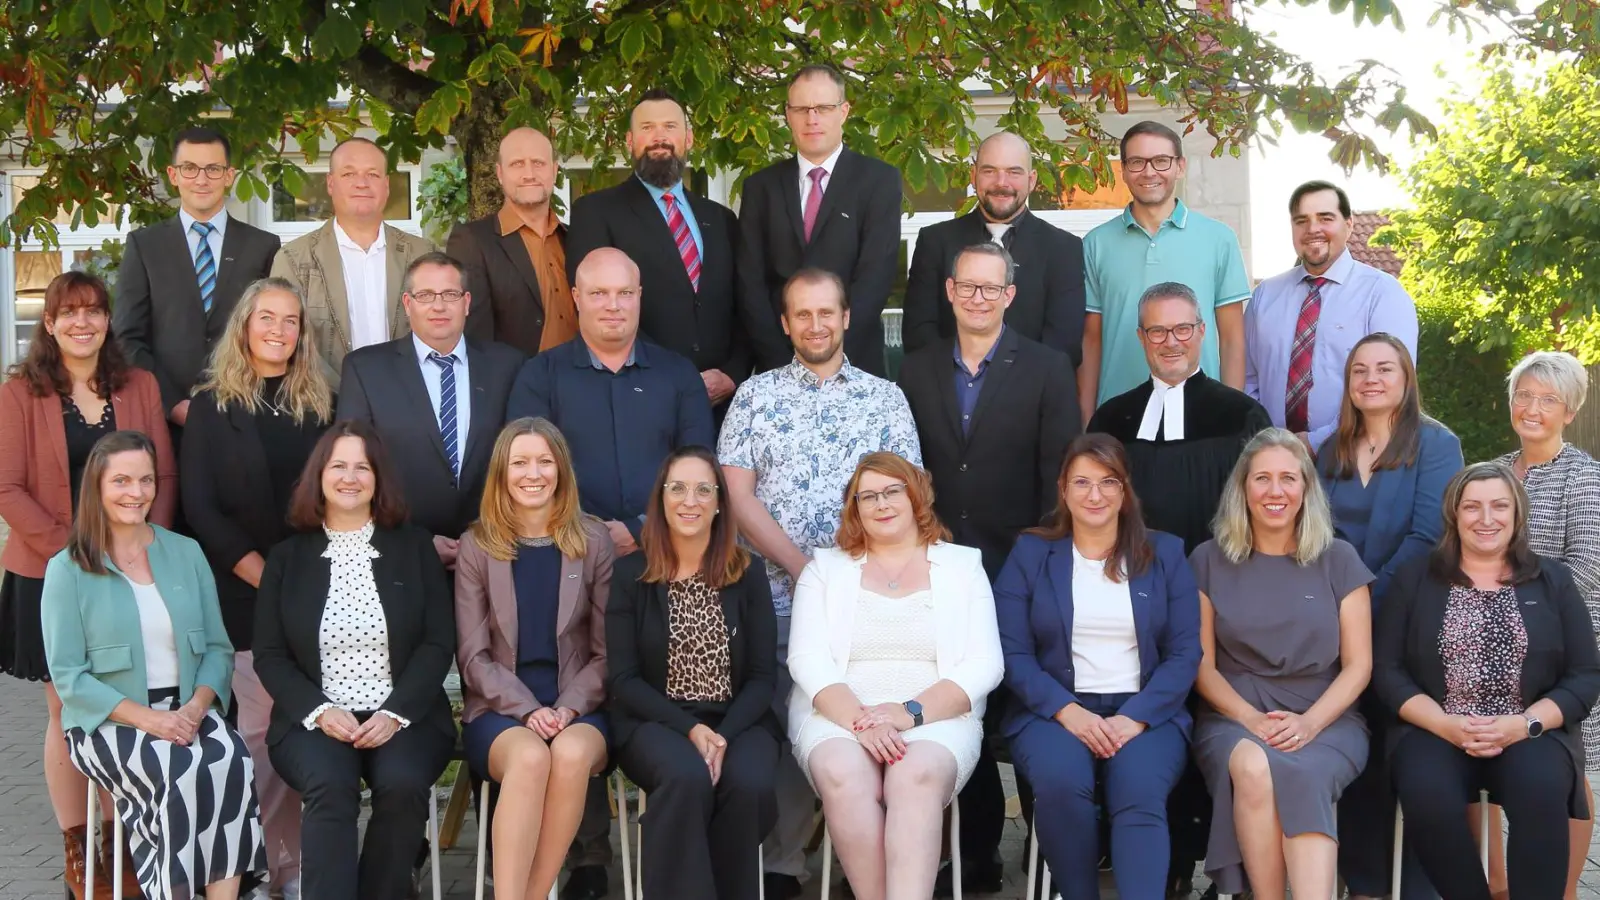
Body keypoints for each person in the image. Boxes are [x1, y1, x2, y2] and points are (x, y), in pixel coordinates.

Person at [719, 267, 922, 900]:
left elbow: (906, 495)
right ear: (785, 323)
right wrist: (807, 571)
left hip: (868, 607)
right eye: (801, 315)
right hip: (774, 599)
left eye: (825, 313)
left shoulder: (884, 399)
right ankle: (783, 866)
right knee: (787, 729)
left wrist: (845, 576)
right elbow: (736, 493)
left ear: (846, 318)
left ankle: (853, 860)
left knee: (858, 728)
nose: (815, 325)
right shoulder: (754, 397)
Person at [895, 241, 1079, 889]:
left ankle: (1043, 851)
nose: (978, 298)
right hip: (938, 571)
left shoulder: (1049, 368)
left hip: (1021, 567)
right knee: (956, 708)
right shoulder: (911, 372)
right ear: (948, 292)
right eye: (966, 287)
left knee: (1027, 707)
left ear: (1010, 295)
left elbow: (1060, 480)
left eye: (990, 288)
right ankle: (973, 853)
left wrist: (1039, 563)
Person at [0, 271, 176, 900]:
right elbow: (8, 489)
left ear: (108, 321)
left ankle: (121, 842)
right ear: (48, 324)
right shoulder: (21, 393)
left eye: (94, 311)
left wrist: (148, 551)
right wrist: (78, 555)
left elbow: (164, 473)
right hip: (51, 574)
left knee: (122, 702)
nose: (82, 323)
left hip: (134, 568)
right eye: (68, 313)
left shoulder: (140, 386)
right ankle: (78, 846)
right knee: (66, 708)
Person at [42, 429, 266, 900]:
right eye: (121, 481)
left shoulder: (184, 552)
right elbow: (68, 677)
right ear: (98, 488)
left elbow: (217, 649)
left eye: (146, 480)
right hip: (110, 719)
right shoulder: (68, 568)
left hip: (188, 708)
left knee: (230, 759)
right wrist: (152, 721)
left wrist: (196, 709)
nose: (136, 493)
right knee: (176, 769)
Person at [1374, 462, 1600, 900]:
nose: (1486, 518)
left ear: (1517, 515)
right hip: (1436, 728)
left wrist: (1526, 724)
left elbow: (1585, 674)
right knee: (1426, 790)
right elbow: (1387, 670)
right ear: (1454, 515)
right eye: (1472, 507)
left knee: (1541, 788)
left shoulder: (1552, 579)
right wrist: (1444, 724)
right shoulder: (1416, 578)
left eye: (1499, 506)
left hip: (1527, 730)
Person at [252, 422, 456, 900]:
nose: (350, 477)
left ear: (378, 478)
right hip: (314, 719)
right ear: (318, 476)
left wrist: (395, 712)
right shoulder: (286, 558)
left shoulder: (413, 548)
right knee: (329, 785)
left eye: (362, 467)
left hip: (406, 715)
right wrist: (321, 711)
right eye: (338, 465)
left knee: (403, 785)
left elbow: (436, 641)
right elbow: (270, 654)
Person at [787, 452, 1004, 900]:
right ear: (855, 508)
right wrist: (862, 722)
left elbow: (986, 664)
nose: (881, 504)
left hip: (935, 715)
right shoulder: (824, 570)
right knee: (843, 772)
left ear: (915, 496)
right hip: (839, 714)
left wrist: (907, 714)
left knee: (915, 774)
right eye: (867, 496)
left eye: (892, 491)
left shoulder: (963, 567)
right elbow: (806, 659)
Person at [994, 434, 1200, 900]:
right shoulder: (1031, 554)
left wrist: (1136, 717)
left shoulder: (1165, 554)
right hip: (1053, 711)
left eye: (1108, 482)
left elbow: (1185, 653)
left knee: (1139, 789)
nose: (1095, 494)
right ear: (1063, 488)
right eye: (1082, 482)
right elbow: (1012, 652)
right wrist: (1069, 712)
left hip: (1146, 711)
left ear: (1125, 491)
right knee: (1061, 784)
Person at [181, 276, 334, 899]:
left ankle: (298, 863)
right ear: (244, 325)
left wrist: (299, 579)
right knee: (262, 730)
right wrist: (262, 575)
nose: (278, 330)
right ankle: (273, 865)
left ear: (302, 334)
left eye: (290, 320)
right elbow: (201, 508)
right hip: (243, 593)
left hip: (316, 589)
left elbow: (338, 496)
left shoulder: (322, 404)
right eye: (266, 317)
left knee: (311, 728)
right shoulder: (212, 407)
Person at [1190, 428, 1373, 899]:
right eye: (1262, 478)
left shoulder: (1339, 559)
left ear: (1307, 489)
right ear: (1242, 488)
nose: (1276, 491)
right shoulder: (1207, 560)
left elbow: (1359, 666)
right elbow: (1201, 666)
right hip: (1235, 712)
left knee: (1306, 771)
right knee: (1251, 766)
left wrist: (1310, 724)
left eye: (1289, 479)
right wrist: (1251, 718)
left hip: (1325, 714)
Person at [1311, 331, 1461, 899]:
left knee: (1409, 759)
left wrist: (1360, 606)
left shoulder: (1437, 445)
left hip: (1407, 625)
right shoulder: (1331, 451)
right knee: (1356, 757)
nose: (1372, 379)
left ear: (1406, 380)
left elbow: (1428, 536)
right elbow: (1316, 535)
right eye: (1360, 371)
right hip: (1337, 629)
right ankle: (1366, 881)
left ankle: (1419, 887)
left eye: (1385, 369)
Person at [607, 446, 781, 899]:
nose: (691, 501)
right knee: (686, 778)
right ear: (661, 500)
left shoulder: (748, 573)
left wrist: (722, 735)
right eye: (678, 488)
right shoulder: (631, 574)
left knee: (750, 783)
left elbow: (763, 677)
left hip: (739, 720)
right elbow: (624, 680)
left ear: (720, 501)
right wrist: (691, 730)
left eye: (704, 489)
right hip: (656, 721)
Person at [454, 418, 614, 900]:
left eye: (545, 461)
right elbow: (474, 657)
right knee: (527, 757)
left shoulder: (593, 541)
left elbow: (608, 653)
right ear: (502, 472)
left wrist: (567, 708)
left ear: (561, 470)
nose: (533, 473)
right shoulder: (477, 545)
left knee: (566, 753)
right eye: (520, 462)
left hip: (580, 707)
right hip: (500, 710)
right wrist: (529, 711)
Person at [507, 248, 714, 557]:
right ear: (576, 297)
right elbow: (526, 473)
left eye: (625, 293)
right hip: (567, 556)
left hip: (667, 554)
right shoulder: (540, 376)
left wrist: (641, 530)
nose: (613, 306)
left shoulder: (679, 374)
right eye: (599, 293)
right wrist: (589, 534)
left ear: (640, 295)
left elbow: (699, 469)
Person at [338, 252, 526, 570]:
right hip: (400, 556)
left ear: (466, 302)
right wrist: (416, 541)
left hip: (493, 554)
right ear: (408, 304)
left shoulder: (508, 365)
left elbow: (520, 459)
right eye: (426, 295)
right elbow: (352, 470)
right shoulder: (365, 369)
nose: (439, 306)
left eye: (450, 295)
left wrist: (484, 536)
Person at [567, 89, 747, 416]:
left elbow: (744, 304)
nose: (659, 137)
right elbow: (597, 308)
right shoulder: (595, 212)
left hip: (723, 404)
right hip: (638, 397)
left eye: (669, 127)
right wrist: (676, 377)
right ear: (630, 140)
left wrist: (732, 373)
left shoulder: (721, 219)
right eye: (647, 127)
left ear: (688, 138)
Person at [1497, 350, 1600, 900]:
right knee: (1486, 757)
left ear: (1569, 411)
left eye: (1548, 399)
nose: (1532, 408)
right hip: (1490, 647)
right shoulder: (1491, 471)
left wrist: (1512, 602)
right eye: (1524, 395)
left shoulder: (1583, 476)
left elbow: (1588, 570)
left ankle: (1561, 892)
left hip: (1565, 649)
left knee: (1569, 775)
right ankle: (1495, 884)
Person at [737, 64, 903, 377]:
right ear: (787, 114)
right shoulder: (761, 187)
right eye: (801, 109)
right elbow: (750, 283)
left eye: (823, 108)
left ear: (843, 111)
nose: (811, 119)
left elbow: (875, 278)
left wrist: (829, 357)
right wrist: (782, 359)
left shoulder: (879, 181)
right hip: (778, 365)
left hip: (854, 365)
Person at [1079, 121, 1250, 422]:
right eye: (1137, 162)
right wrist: (1085, 421)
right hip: (1120, 417)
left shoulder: (1219, 239)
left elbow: (1232, 338)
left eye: (1161, 161)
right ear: (1124, 170)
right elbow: (1091, 341)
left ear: (1180, 166)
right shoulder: (1095, 244)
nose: (1149, 172)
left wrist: (1233, 415)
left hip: (1202, 415)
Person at [114, 126, 282, 431]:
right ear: (173, 175)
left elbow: (275, 332)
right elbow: (127, 337)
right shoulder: (144, 245)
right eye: (189, 168)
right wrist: (172, 403)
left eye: (213, 169)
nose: (201, 179)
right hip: (166, 422)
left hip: (247, 414)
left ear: (229, 176)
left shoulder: (263, 246)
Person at [1088, 281, 1273, 554]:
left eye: (1183, 329)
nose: (1171, 342)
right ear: (1141, 337)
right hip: (1129, 572)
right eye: (1157, 332)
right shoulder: (1110, 419)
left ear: (1202, 331)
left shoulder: (1243, 416)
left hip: (1219, 575)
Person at [1245, 182, 1419, 449]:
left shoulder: (1382, 294)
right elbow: (1248, 380)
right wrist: (1270, 443)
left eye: (1325, 218)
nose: (1313, 229)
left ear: (1349, 225)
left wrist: (1317, 442)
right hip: (1277, 460)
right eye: (1301, 220)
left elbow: (1393, 386)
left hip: (1354, 454)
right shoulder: (1265, 296)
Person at [902, 132, 1087, 368]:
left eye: (1014, 172)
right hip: (947, 395)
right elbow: (919, 332)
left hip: (1031, 397)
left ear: (1031, 180)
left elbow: (1064, 344)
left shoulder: (1063, 249)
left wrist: (1005, 390)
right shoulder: (935, 241)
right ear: (974, 176)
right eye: (990, 171)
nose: (1002, 183)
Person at [271, 136, 435, 377]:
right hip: (324, 405)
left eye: (373, 174)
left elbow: (440, 333)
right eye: (349, 174)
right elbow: (285, 342)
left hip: (410, 402)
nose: (362, 183)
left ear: (387, 185)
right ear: (330, 183)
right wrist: (344, 393)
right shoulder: (293, 259)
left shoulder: (422, 254)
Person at [447, 126, 576, 355]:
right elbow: (474, 338)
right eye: (517, 164)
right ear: (499, 173)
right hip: (515, 385)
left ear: (554, 170)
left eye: (538, 163)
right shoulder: (472, 241)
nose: (529, 173)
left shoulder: (575, 238)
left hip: (580, 382)